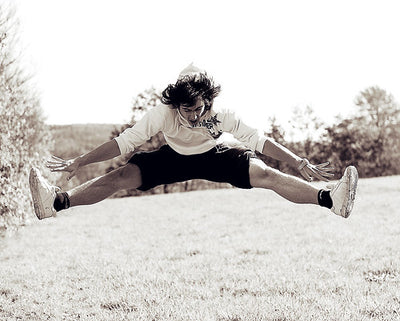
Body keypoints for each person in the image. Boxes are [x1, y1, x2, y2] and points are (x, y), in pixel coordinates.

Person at [29, 64, 358, 221]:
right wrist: (77, 162)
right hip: (173, 156)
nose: (193, 117)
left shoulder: (221, 115)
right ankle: (55, 203)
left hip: (216, 155)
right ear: (176, 105)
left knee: (265, 174)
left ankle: (331, 200)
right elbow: (122, 143)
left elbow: (259, 140)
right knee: (120, 177)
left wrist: (298, 161)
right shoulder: (162, 114)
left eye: (199, 109)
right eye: (186, 111)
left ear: (208, 101)